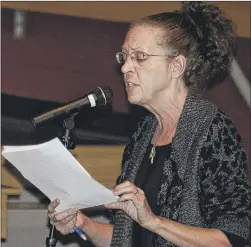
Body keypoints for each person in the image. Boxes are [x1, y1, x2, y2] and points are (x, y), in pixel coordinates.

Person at [47, 2, 251, 247]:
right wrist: (81, 223)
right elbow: (128, 238)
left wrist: (153, 221)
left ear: (176, 66)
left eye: (139, 58)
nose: (124, 67)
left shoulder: (213, 131)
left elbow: (232, 240)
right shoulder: (144, 133)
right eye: (124, 57)